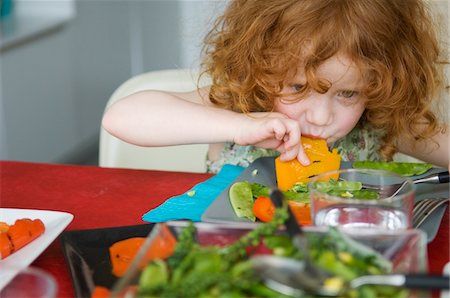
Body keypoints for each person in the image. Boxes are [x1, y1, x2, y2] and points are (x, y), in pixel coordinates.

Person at [102, 0, 449, 174]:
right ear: (261, 68)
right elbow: (122, 117)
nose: (321, 116)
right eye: (298, 87)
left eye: (348, 93)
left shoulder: (379, 121)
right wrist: (240, 125)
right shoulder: (237, 104)